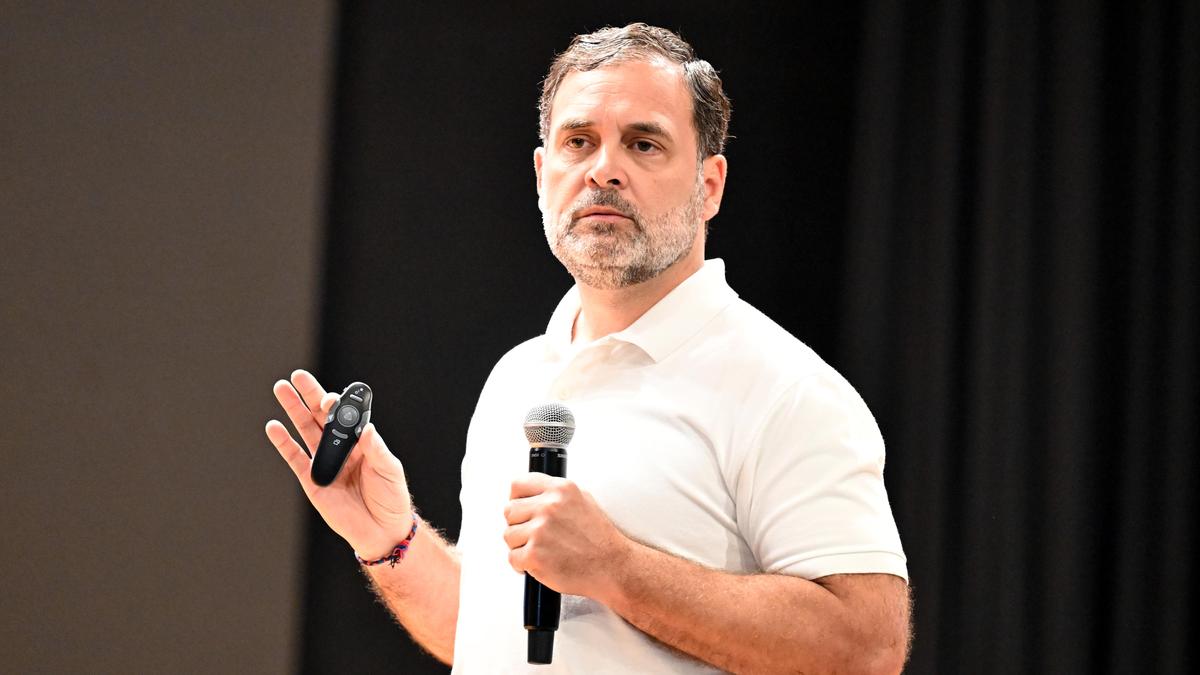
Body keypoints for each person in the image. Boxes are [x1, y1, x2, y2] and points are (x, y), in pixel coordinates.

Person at [266, 23, 910, 674]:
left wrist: (617, 568)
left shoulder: (785, 389)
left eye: (644, 143)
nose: (604, 169)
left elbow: (868, 649)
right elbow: (491, 636)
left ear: (709, 186)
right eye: (579, 141)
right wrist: (389, 538)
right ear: (542, 175)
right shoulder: (516, 377)